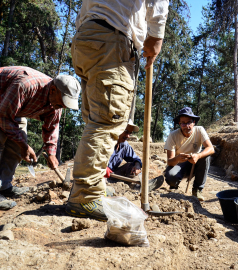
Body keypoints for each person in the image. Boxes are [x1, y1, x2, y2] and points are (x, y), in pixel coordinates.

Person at [66, 0, 169, 221]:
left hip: (87, 37)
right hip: (111, 38)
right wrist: (156, 36)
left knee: (96, 118)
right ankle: (84, 196)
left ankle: (94, 185)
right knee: (107, 120)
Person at [0, 66, 81, 210]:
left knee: (17, 143)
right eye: (63, 100)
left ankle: (4, 185)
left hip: (12, 103)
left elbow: (51, 128)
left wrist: (51, 153)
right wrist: (24, 146)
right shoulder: (25, 85)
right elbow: (1, 116)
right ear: (53, 90)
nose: (62, 106)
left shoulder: (56, 105)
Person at [164, 107, 215, 201]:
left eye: (189, 122)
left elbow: (211, 148)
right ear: (179, 124)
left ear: (194, 122)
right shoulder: (173, 135)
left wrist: (198, 155)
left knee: (206, 156)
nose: (186, 126)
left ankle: (197, 190)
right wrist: (178, 158)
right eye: (183, 123)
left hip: (196, 163)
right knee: (171, 176)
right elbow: (170, 162)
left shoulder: (199, 130)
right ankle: (174, 187)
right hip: (180, 164)